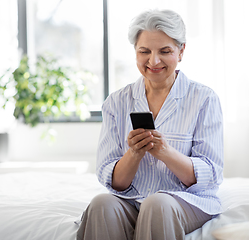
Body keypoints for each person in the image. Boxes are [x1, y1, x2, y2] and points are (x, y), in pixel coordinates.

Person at [77, 9, 224, 240]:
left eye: (165, 51)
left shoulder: (204, 99)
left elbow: (211, 175)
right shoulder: (116, 102)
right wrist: (134, 154)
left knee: (157, 204)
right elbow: (113, 181)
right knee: (101, 203)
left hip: (185, 201)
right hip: (132, 200)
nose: (153, 61)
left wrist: (165, 152)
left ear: (181, 51)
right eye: (144, 51)